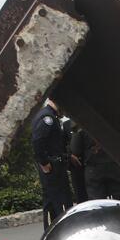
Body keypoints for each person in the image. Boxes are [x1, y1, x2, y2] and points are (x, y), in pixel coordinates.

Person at [31, 98, 73, 229]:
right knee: (57, 202)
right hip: (52, 167)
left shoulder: (49, 115)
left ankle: (54, 229)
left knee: (53, 201)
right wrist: (44, 163)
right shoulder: (47, 118)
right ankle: (57, 230)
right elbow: (38, 142)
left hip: (54, 164)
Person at [70, 129, 120, 201]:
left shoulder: (82, 124)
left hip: (93, 167)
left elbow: (75, 149)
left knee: (97, 201)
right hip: (115, 164)